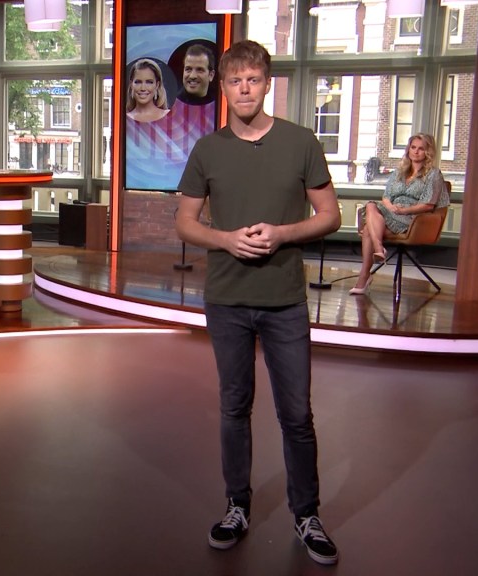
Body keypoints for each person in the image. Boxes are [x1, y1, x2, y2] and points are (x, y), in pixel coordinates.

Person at [175, 40, 342, 565]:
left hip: (284, 300)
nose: (244, 89)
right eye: (234, 81)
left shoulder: (301, 142)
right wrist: (226, 239)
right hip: (227, 299)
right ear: (222, 88)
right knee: (233, 407)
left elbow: (331, 215)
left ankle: (307, 514)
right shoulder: (207, 150)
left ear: (267, 84)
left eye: (252, 79)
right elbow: (184, 222)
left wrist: (284, 233)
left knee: (296, 413)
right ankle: (237, 507)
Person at [350, 132, 449, 295]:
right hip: (390, 211)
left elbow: (428, 204)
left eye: (421, 149)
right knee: (371, 207)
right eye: (413, 147)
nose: (416, 151)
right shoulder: (399, 171)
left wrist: (403, 210)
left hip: (412, 218)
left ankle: (366, 273)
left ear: (428, 152)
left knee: (369, 223)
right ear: (408, 149)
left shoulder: (433, 174)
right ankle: (377, 251)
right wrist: (391, 207)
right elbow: (386, 197)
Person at [126, 58, 169, 123]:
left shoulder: (170, 116)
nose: (143, 88)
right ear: (131, 84)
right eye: (138, 82)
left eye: (149, 82)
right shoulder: (123, 119)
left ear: (157, 85)